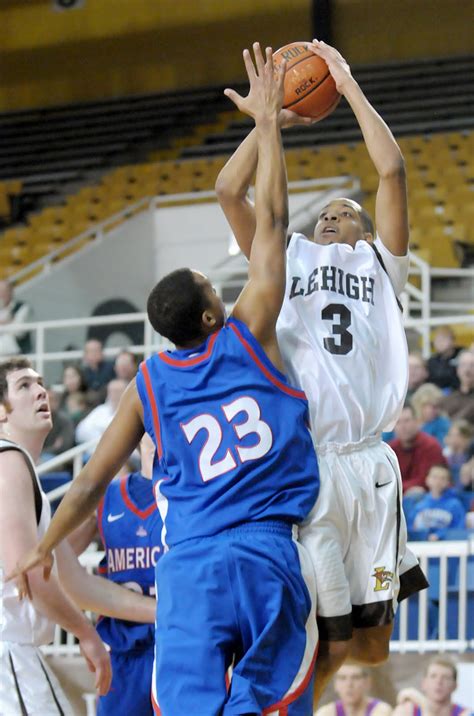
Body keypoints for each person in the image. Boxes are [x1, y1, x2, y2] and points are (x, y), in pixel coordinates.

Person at [9, 44, 320, 715]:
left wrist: (44, 546)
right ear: (212, 312)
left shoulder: (147, 382)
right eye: (214, 283)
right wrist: (267, 126)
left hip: (189, 569)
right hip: (265, 551)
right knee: (269, 700)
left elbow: (89, 481)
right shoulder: (248, 334)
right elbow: (271, 223)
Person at [215, 37, 427, 705]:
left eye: (349, 213)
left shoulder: (381, 267)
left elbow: (391, 173)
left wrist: (347, 84)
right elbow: (229, 188)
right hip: (312, 464)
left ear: (368, 234)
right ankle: (283, 704)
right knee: (326, 634)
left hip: (373, 463)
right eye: (327, 211)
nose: (336, 213)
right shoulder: (288, 256)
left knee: (373, 644)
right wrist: (268, 122)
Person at [0, 357, 157, 715]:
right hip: (8, 655)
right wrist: (87, 636)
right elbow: (26, 575)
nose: (41, 391)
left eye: (40, 383)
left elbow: (77, 584)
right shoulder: (8, 461)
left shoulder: (20, 470)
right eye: (24, 386)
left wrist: (169, 613)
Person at [70, 433, 162, 716]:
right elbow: (56, 562)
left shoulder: (194, 494)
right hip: (124, 655)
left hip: (180, 648)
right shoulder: (106, 496)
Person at [389, 405, 447, 494]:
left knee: (416, 493)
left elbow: (424, 481)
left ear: (417, 421)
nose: (403, 427)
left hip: (427, 497)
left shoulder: (430, 446)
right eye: (398, 422)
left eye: (407, 421)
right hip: (397, 493)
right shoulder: (391, 449)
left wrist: (395, 489)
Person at [393, 657, 472, 716]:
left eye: (446, 677)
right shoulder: (407, 711)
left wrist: (423, 704)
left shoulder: (466, 714)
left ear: (455, 686)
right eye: (433, 676)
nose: (439, 682)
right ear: (423, 683)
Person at [407, 464, 467, 540]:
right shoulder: (419, 506)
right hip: (421, 546)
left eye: (443, 478)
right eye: (435, 477)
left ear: (448, 482)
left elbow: (459, 529)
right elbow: (411, 529)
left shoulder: (455, 505)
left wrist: (440, 535)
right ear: (427, 479)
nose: (438, 481)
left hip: (446, 547)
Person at [315, 665, 392, 716]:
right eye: (342, 678)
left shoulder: (382, 710)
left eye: (355, 677)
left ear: (367, 682)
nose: (349, 684)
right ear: (335, 684)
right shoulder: (325, 712)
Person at [75, 378, 127, 447]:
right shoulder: (100, 410)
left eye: (117, 391)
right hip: (93, 450)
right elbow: (80, 431)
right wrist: (101, 436)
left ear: (126, 392)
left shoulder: (129, 412)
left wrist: (101, 432)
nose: (114, 394)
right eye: (111, 391)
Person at [410, 383, 451, 447]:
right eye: (432, 406)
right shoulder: (408, 420)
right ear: (420, 405)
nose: (436, 410)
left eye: (438, 406)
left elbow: (440, 446)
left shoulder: (443, 423)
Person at [439, 350, 474, 423]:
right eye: (463, 365)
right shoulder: (447, 398)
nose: (467, 370)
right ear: (457, 370)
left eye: (472, 365)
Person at [0, 279, 32, 356]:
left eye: (5, 291)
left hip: (16, 355)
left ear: (11, 292)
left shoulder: (22, 307)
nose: (2, 294)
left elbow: (18, 331)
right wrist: (7, 322)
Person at [427, 327, 462, 392]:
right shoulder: (432, 361)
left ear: (452, 341)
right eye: (436, 340)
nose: (439, 343)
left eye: (442, 339)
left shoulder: (462, 356)